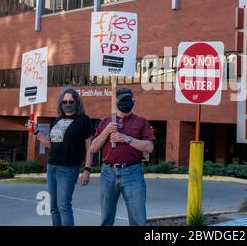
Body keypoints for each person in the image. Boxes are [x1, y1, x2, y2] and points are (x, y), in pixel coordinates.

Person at [29, 87, 93, 226]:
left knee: (64, 206)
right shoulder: (58, 120)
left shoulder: (84, 120)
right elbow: (53, 145)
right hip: (52, 167)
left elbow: (90, 148)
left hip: (68, 169)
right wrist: (36, 133)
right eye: (65, 101)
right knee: (54, 208)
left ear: (77, 102)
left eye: (71, 101)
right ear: (61, 103)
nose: (68, 104)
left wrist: (87, 169)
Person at [90, 88, 155, 226]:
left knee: (138, 218)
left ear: (133, 101)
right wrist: (106, 131)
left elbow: (149, 147)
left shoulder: (141, 122)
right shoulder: (106, 122)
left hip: (133, 173)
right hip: (108, 173)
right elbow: (93, 148)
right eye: (122, 100)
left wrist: (126, 138)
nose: (125, 102)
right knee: (106, 218)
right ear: (116, 102)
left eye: (128, 99)